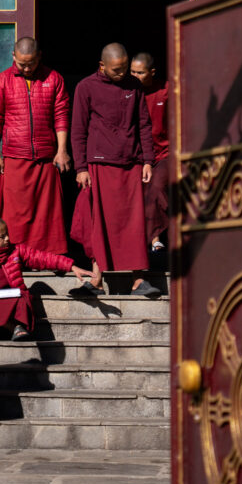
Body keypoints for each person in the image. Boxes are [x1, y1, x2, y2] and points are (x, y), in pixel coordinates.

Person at [70, 43, 159, 297]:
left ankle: (139, 280)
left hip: (130, 162)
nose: (122, 74)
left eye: (124, 69)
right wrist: (81, 167)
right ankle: (96, 280)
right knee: (100, 222)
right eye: (116, 70)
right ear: (102, 66)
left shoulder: (134, 86)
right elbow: (78, 129)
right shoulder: (86, 87)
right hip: (99, 164)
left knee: (133, 222)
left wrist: (148, 161)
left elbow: (143, 124)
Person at [0, 36, 71, 254]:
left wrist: (61, 151)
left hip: (45, 155)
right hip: (15, 155)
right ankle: (17, 255)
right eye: (22, 63)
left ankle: (47, 257)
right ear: (13, 56)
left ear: (39, 57)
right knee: (15, 213)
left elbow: (61, 115)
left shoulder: (54, 79)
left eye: (31, 63)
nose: (26, 68)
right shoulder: (2, 81)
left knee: (46, 213)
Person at [0, 216, 92, 341]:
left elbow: (42, 258)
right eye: (2, 237)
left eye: (7, 234)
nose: (7, 238)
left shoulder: (16, 250)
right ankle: (3, 326)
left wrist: (71, 266)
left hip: (11, 295)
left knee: (22, 300)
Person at [130, 53, 170, 252]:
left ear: (152, 72)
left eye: (140, 73)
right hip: (137, 155)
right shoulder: (127, 91)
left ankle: (155, 240)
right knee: (139, 190)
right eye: (132, 72)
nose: (135, 76)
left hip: (164, 153)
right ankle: (152, 241)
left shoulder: (165, 91)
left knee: (156, 187)